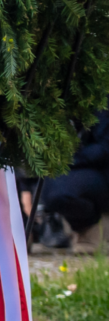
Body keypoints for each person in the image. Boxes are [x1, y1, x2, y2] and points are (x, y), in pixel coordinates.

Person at [36, 106, 109, 249]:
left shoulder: (101, 100)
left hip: (100, 170)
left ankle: (91, 226)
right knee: (48, 190)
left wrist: (68, 159)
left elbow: (104, 148)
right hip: (74, 167)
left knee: (59, 191)